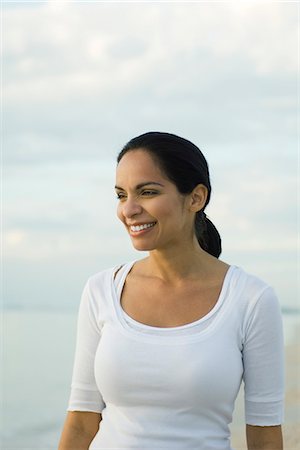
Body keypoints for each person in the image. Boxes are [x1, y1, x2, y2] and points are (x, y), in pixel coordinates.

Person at [58, 132, 284, 450]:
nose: (129, 209)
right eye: (121, 195)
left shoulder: (251, 299)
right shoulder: (101, 290)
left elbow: (264, 435)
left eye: (147, 192)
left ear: (195, 198)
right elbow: (82, 422)